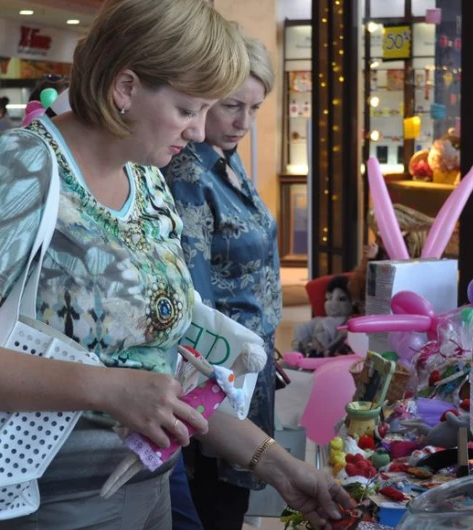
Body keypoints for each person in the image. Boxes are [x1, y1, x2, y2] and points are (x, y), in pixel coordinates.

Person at [0, 1, 352, 529]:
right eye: (187, 109)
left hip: (147, 486)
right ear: (126, 88)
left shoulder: (148, 178)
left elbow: (159, 366)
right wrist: (106, 388)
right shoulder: (21, 167)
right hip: (47, 500)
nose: (201, 132)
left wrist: (275, 464)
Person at [161, 34, 282, 530]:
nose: (243, 123)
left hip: (249, 365)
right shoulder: (189, 170)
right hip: (219, 376)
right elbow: (197, 303)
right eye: (232, 106)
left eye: (254, 108)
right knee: (218, 508)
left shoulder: (224, 162)